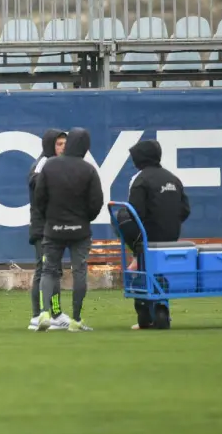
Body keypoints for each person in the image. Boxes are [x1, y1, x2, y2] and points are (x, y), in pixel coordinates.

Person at [33, 127, 104, 332]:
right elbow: (96, 202)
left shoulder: (50, 166)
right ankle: (76, 319)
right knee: (79, 271)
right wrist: (85, 219)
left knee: (49, 270)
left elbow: (39, 198)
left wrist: (50, 218)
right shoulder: (89, 170)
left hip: (53, 228)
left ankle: (44, 313)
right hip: (80, 230)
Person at [120, 139, 191, 329]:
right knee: (159, 273)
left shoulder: (140, 180)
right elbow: (185, 210)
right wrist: (169, 223)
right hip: (171, 236)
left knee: (120, 215)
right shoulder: (173, 179)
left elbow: (135, 212)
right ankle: (160, 306)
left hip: (148, 238)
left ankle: (145, 315)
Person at [27, 129, 71, 331]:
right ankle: (42, 315)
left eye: (65, 144)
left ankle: (52, 313)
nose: (63, 148)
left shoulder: (57, 165)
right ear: (49, 145)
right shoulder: (44, 163)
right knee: (45, 271)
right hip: (44, 229)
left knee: (51, 271)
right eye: (59, 144)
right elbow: (35, 183)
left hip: (53, 227)